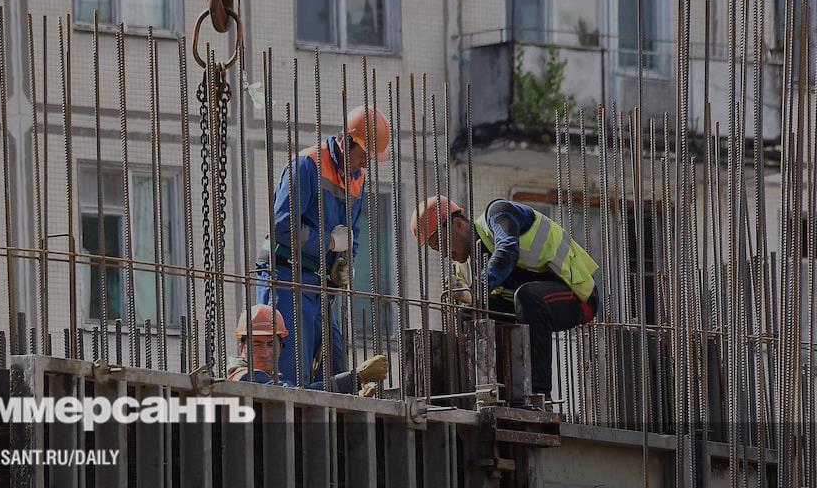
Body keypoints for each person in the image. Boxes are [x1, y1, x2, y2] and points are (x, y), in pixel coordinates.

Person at [254, 105, 391, 391]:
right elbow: (282, 225)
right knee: (292, 369)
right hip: (286, 278)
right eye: (364, 154)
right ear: (347, 141)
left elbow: (352, 234)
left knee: (334, 360)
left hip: (319, 285)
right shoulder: (307, 165)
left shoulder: (357, 177)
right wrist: (327, 241)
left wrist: (344, 264)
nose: (366, 163)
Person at [411, 196, 601, 399]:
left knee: (527, 296)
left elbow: (507, 249)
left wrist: (476, 290)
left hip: (578, 296)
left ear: (458, 224)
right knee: (467, 314)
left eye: (441, 243)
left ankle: (539, 394)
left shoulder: (499, 213)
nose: (443, 253)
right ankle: (490, 391)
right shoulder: (464, 269)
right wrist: (472, 299)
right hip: (527, 310)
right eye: (436, 249)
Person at [228, 305, 390, 395]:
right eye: (256, 344)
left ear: (281, 347)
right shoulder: (244, 376)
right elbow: (296, 396)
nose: (264, 353)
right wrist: (356, 378)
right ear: (241, 347)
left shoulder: (273, 379)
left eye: (271, 344)